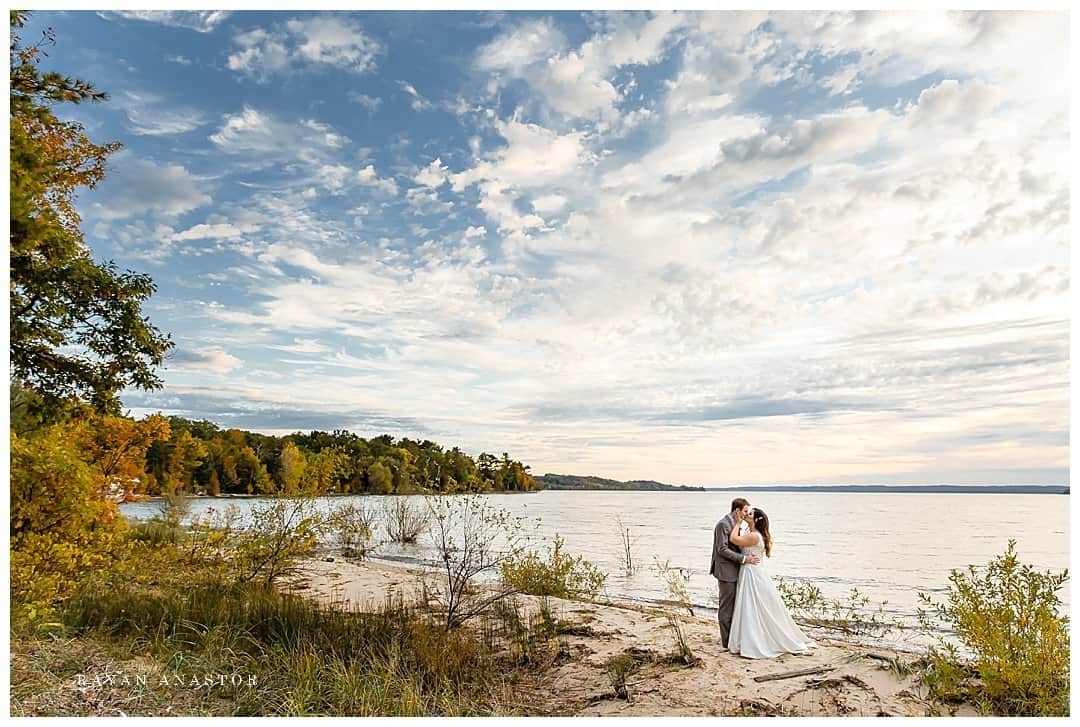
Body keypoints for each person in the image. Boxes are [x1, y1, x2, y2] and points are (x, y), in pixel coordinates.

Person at [727, 508, 816, 658]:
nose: (746, 514)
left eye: (750, 514)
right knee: (751, 606)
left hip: (752, 573)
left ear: (755, 520)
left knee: (752, 605)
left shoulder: (755, 536)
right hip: (751, 571)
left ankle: (756, 640)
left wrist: (737, 523)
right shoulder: (754, 535)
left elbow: (734, 539)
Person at [710, 498, 759, 649]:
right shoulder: (723, 524)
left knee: (736, 606)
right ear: (737, 511)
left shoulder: (738, 525)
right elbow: (722, 549)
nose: (746, 514)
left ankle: (733, 639)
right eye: (745, 511)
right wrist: (744, 558)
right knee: (726, 607)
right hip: (725, 571)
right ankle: (726, 643)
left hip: (736, 570)